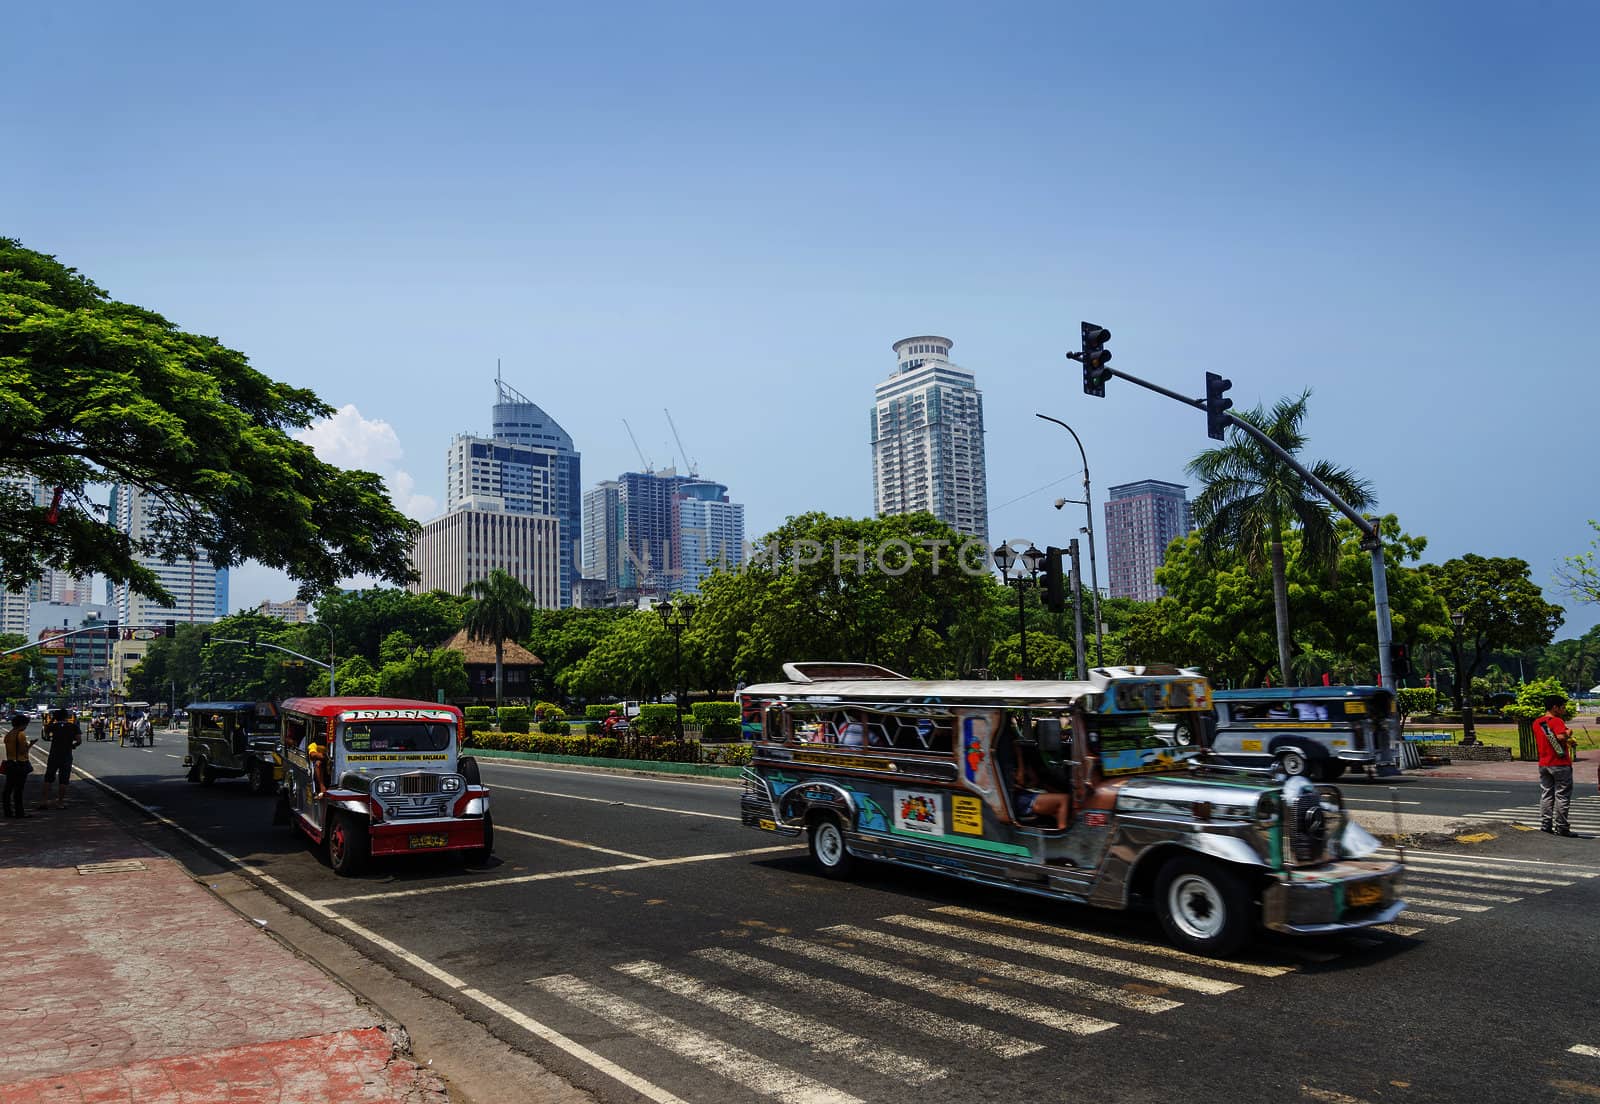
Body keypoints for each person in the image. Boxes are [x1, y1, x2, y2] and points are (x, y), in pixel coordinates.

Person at [1533, 695, 1577, 837]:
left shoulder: (1537, 722)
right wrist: (1569, 733)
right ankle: (1562, 827)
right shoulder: (1557, 721)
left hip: (1544, 763)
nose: (1564, 709)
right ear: (1555, 707)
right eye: (1562, 706)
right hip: (1560, 764)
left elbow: (1550, 739)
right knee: (1562, 795)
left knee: (1546, 794)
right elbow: (1560, 737)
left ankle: (1546, 825)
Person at [1013, 746, 1070, 830]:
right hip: (1021, 799)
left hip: (1027, 792)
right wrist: (1019, 756)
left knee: (1061, 796)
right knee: (1064, 799)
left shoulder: (1025, 762)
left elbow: (1034, 780)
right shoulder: (1011, 763)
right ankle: (1062, 829)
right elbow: (1020, 781)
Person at [39, 707, 82, 810]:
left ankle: (44, 801)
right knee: (63, 780)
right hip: (66, 755)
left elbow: (45, 730)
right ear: (66, 716)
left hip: (54, 754)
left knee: (48, 778)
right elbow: (79, 740)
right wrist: (73, 745)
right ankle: (60, 802)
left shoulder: (53, 726)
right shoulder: (73, 727)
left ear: (56, 717)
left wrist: (53, 719)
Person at [3, 714, 32, 818]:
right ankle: (19, 812)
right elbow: (23, 751)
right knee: (18, 790)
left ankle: (7, 811)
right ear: (22, 724)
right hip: (20, 763)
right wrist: (30, 745)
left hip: (10, 762)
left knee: (8, 788)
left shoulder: (9, 734)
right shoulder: (20, 734)